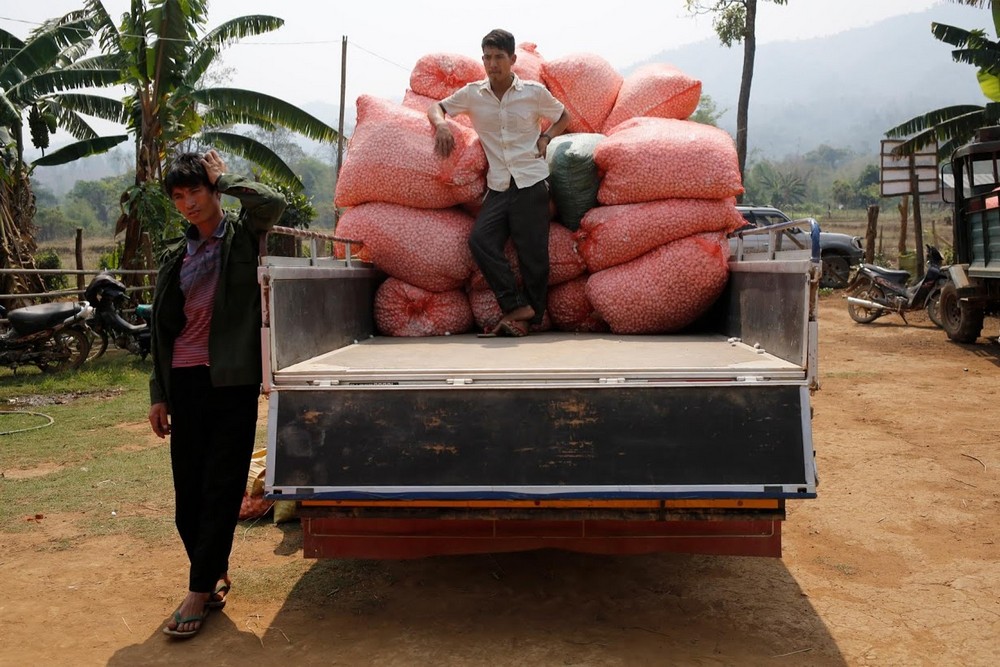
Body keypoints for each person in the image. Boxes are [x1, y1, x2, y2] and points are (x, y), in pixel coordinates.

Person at [148, 150, 285, 639]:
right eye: (179, 196)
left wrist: (224, 176)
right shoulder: (174, 257)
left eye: (196, 192)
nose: (187, 204)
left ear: (213, 191)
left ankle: (197, 589)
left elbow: (271, 202)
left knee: (222, 485)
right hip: (185, 383)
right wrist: (159, 392)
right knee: (188, 493)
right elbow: (162, 332)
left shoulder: (242, 237)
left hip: (232, 380)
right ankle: (212, 574)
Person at [429, 28, 571, 337]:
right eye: (488, 58)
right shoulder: (472, 94)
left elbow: (563, 116)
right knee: (480, 241)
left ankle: (527, 318)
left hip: (532, 182)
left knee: (533, 256)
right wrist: (441, 125)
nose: (493, 64)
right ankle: (514, 305)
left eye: (499, 58)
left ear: (513, 60)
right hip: (498, 186)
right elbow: (436, 107)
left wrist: (547, 137)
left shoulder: (533, 93)